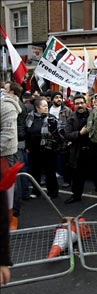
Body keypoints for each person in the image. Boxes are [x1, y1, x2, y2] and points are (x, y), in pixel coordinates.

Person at [25, 98, 62, 199]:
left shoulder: (52, 118)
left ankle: (53, 192)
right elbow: (27, 132)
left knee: (50, 172)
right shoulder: (29, 117)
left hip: (48, 150)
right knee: (34, 171)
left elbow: (58, 134)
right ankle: (36, 190)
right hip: (34, 149)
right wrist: (27, 146)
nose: (46, 107)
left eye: (47, 105)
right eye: (44, 106)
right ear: (37, 108)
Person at [64, 95, 94, 204]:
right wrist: (80, 133)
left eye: (81, 103)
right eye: (77, 104)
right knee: (77, 176)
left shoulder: (93, 114)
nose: (80, 105)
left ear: (86, 103)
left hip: (93, 149)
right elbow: (67, 134)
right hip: (78, 151)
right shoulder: (71, 118)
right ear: (74, 105)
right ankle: (76, 195)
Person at [0, 82, 22, 230]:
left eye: (5, 89)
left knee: (9, 186)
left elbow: (7, 133)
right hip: (5, 151)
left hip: (5, 152)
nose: (2, 90)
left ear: (12, 92)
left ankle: (11, 215)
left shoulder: (7, 106)